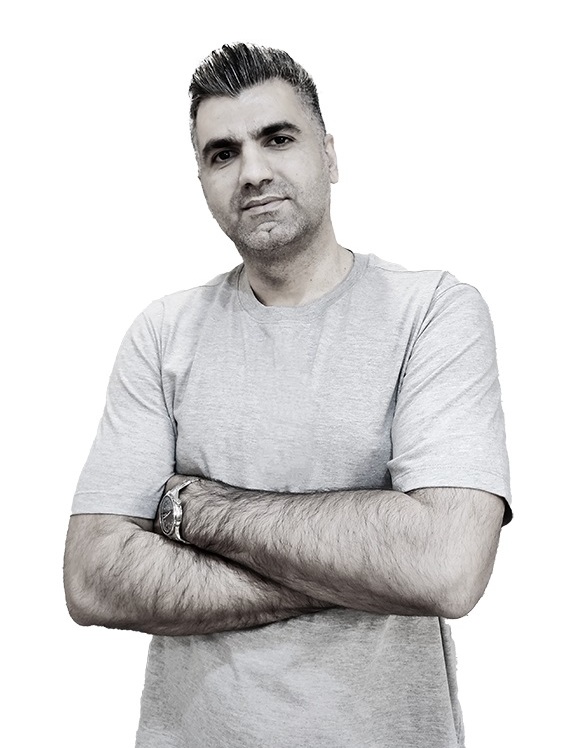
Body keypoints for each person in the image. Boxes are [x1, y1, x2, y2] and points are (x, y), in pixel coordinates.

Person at [64, 42, 512, 748]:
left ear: (329, 154)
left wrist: (197, 510)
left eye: (277, 139)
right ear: (202, 179)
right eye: (223, 153)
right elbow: (93, 577)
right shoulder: (163, 334)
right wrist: (364, 568)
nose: (252, 172)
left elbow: (448, 566)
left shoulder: (432, 312)